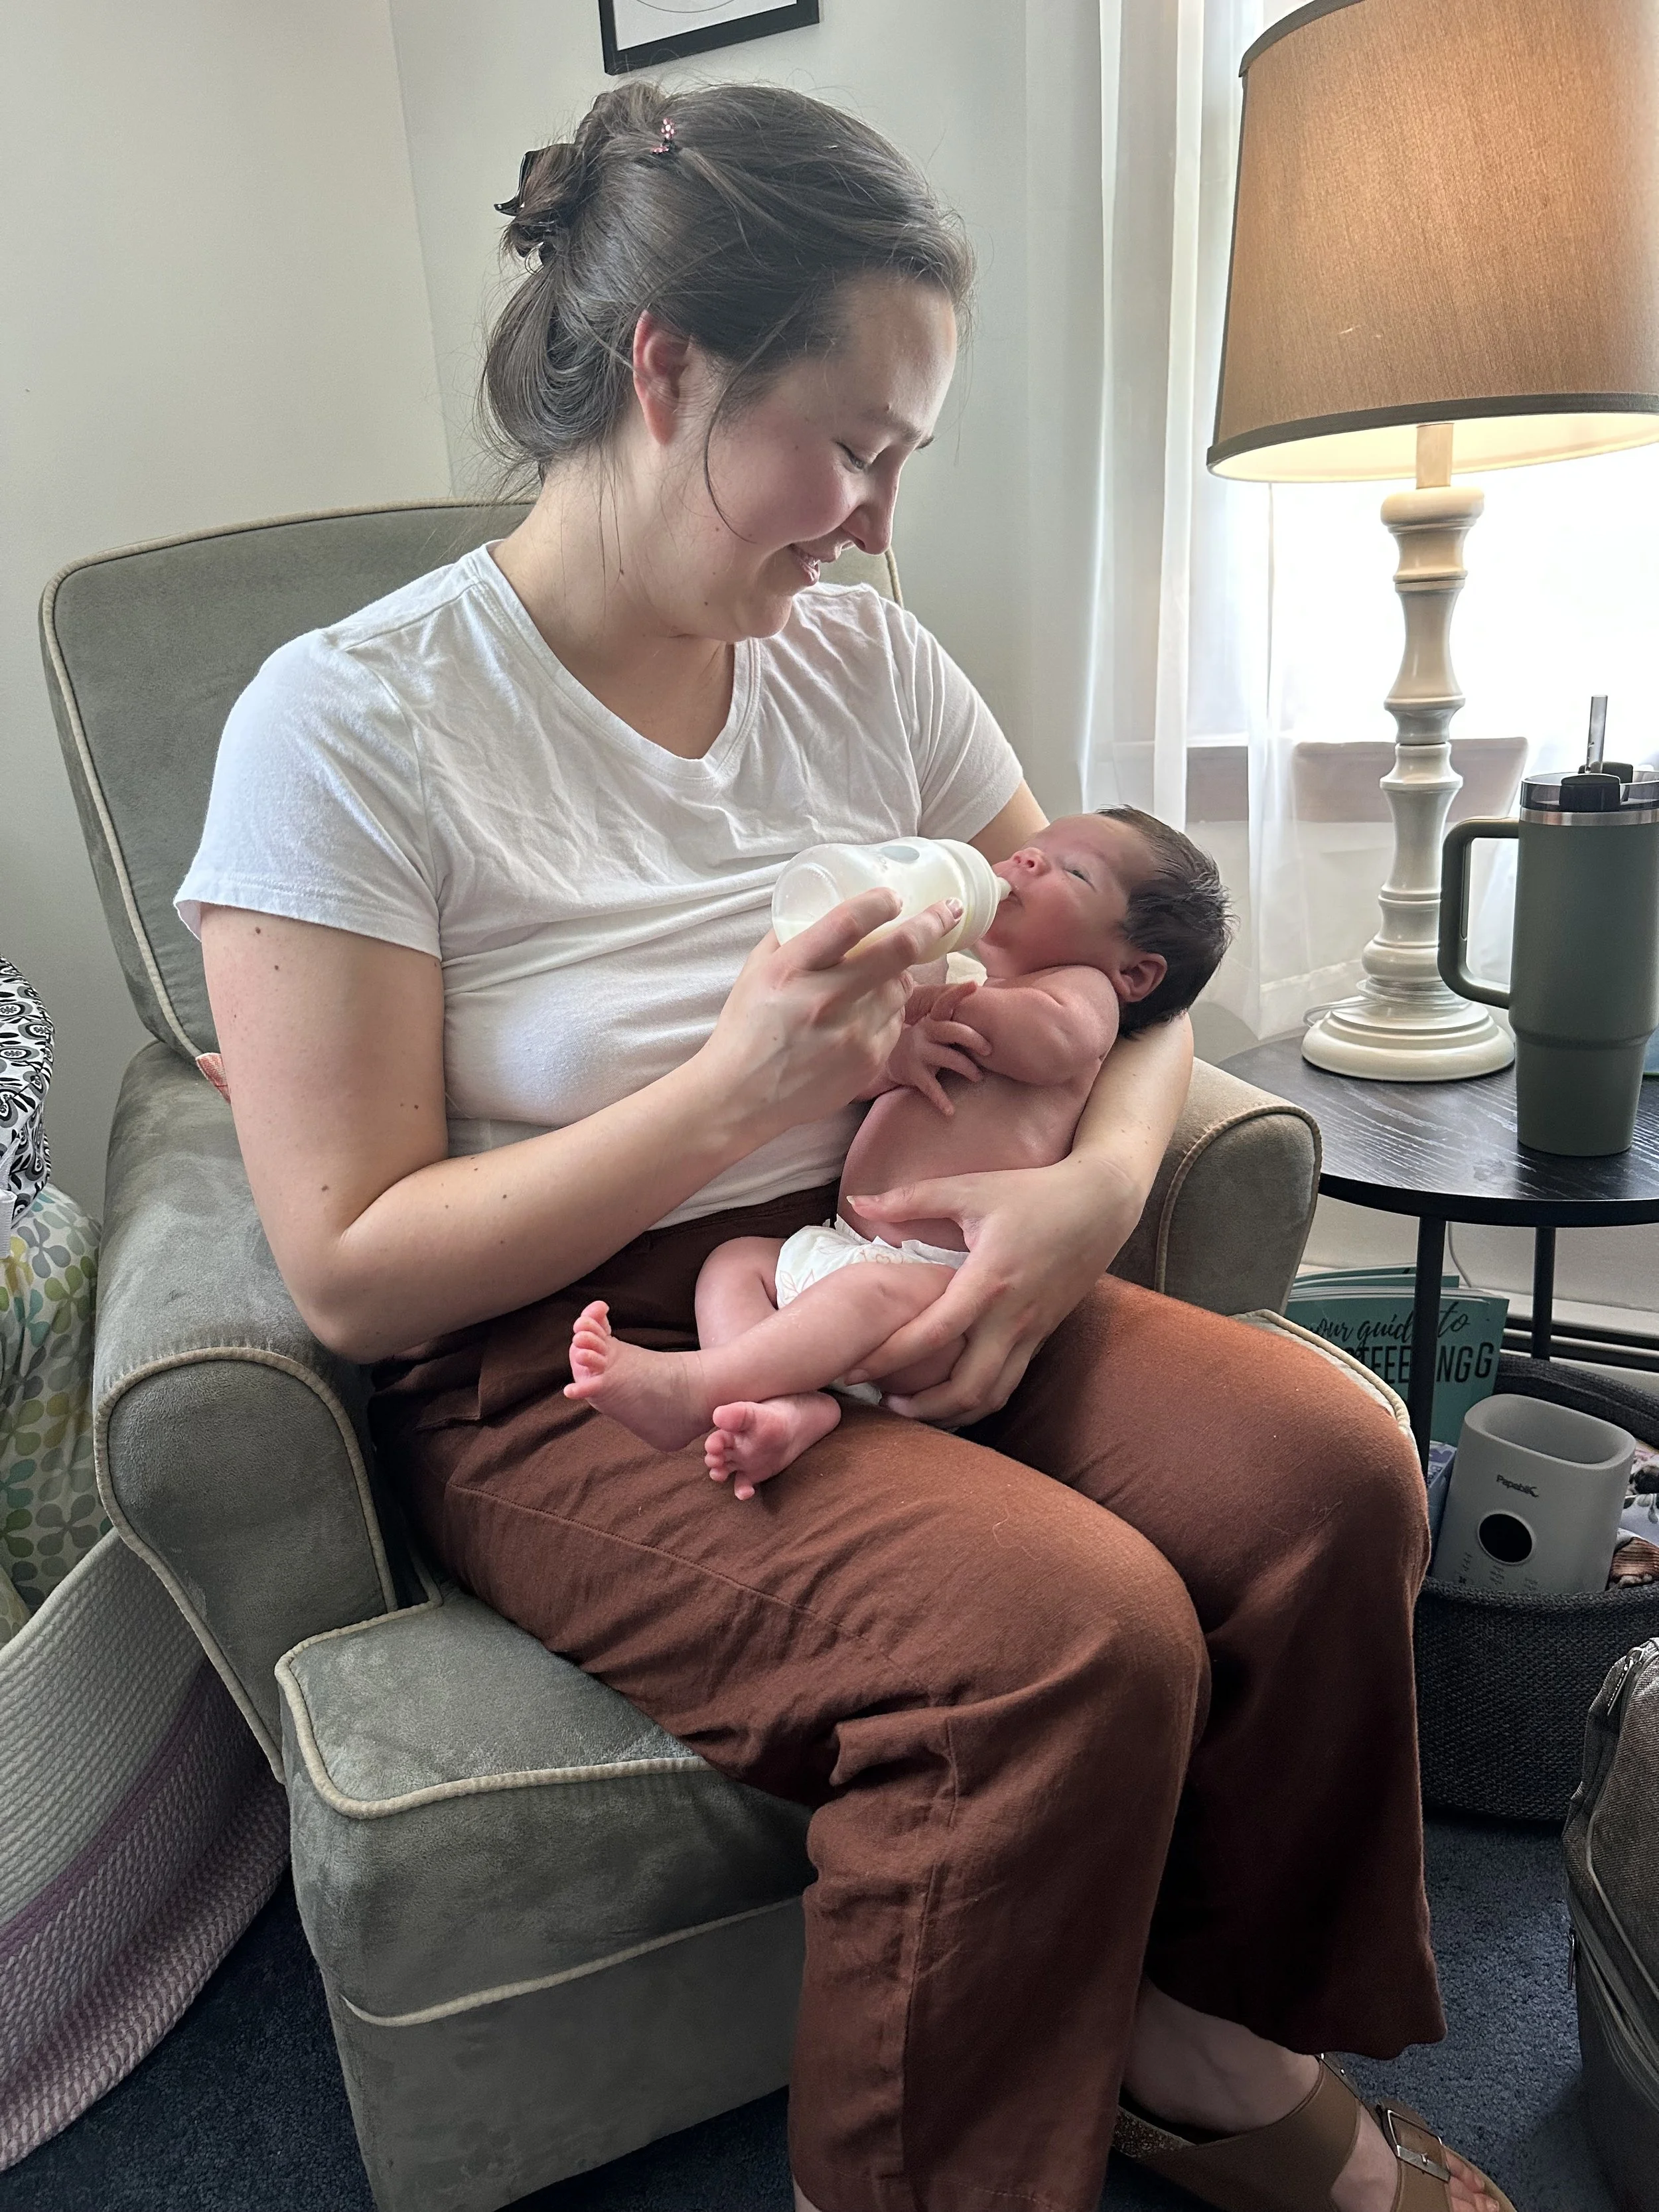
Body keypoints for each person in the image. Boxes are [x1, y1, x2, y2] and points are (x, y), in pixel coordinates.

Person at [177, 80, 1508, 2212]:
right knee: (1067, 1636)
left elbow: (1135, 979)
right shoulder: (347, 727)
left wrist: (1078, 1203)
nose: (879, 524)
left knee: (1330, 1470)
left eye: (907, 460)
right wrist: (729, 1089)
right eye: (854, 446)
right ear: (665, 370)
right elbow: (348, 1263)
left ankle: (1199, 2042)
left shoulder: (862, 662)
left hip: (906, 1243)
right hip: (575, 1358)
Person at [565, 808, 1231, 1497]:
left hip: (942, 1291)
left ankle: (699, 1386)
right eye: (1032, 850)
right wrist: (897, 1052)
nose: (1026, 861)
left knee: (863, 1294)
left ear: (1136, 973)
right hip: (840, 1248)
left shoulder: (1079, 993)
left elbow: (1053, 1043)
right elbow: (859, 1081)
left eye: (1075, 871)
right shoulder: (982, 992)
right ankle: (781, 1403)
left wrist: (925, 1002)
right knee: (733, 1264)